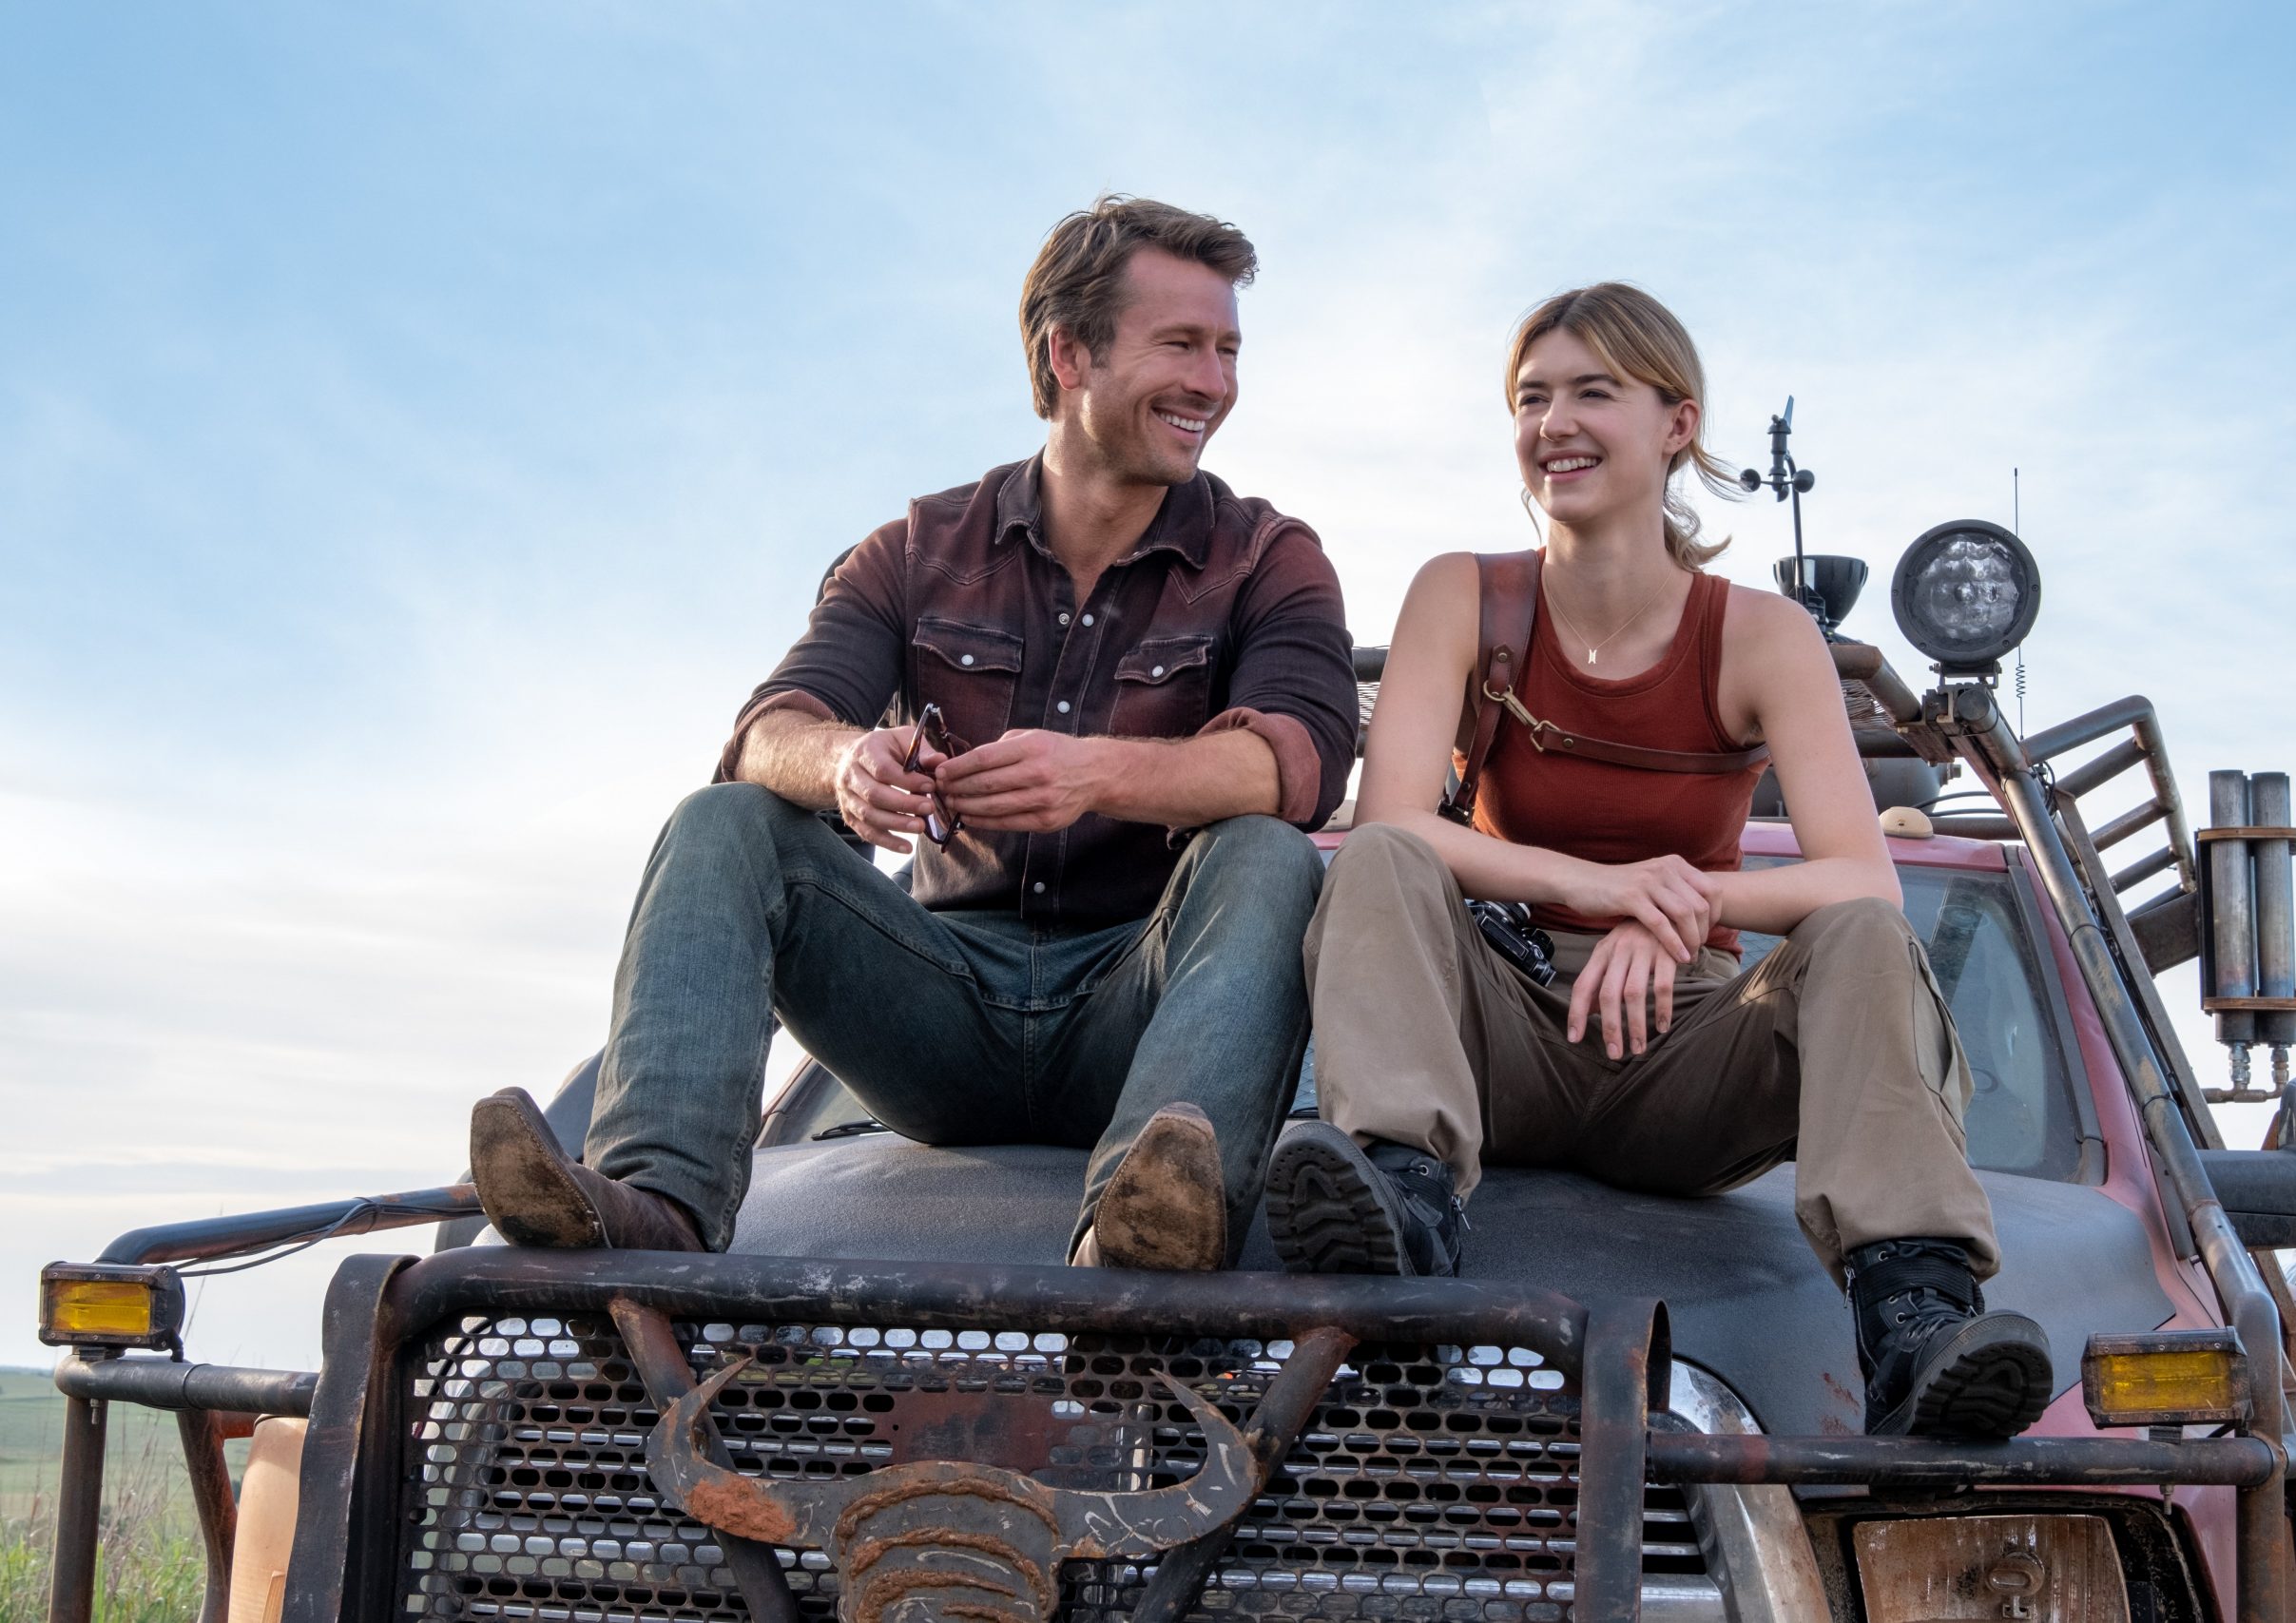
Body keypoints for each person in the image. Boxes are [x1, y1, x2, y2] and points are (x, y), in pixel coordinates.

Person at [469, 196, 1359, 1273]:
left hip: (1143, 1001)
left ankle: (1149, 1227)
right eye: (1181, 344)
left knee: (1266, 848)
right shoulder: (913, 550)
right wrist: (843, 762)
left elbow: (1300, 763)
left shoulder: (1269, 555)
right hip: (937, 1009)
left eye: (1226, 350)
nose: (1214, 382)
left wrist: (1097, 775)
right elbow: (766, 732)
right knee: (724, 820)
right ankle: (656, 1200)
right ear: (1067, 352)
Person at [1266, 282, 2052, 1439]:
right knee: (1380, 856)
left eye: (1594, 392)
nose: (1554, 424)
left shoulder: (1761, 635)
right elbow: (1390, 820)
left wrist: (1674, 908)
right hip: (1498, 1031)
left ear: (1676, 423)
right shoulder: (1462, 596)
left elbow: (1860, 880)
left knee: (1861, 940)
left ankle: (1913, 1313)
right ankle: (1402, 1198)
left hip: (1687, 1052)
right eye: (1531, 399)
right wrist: (1595, 886)